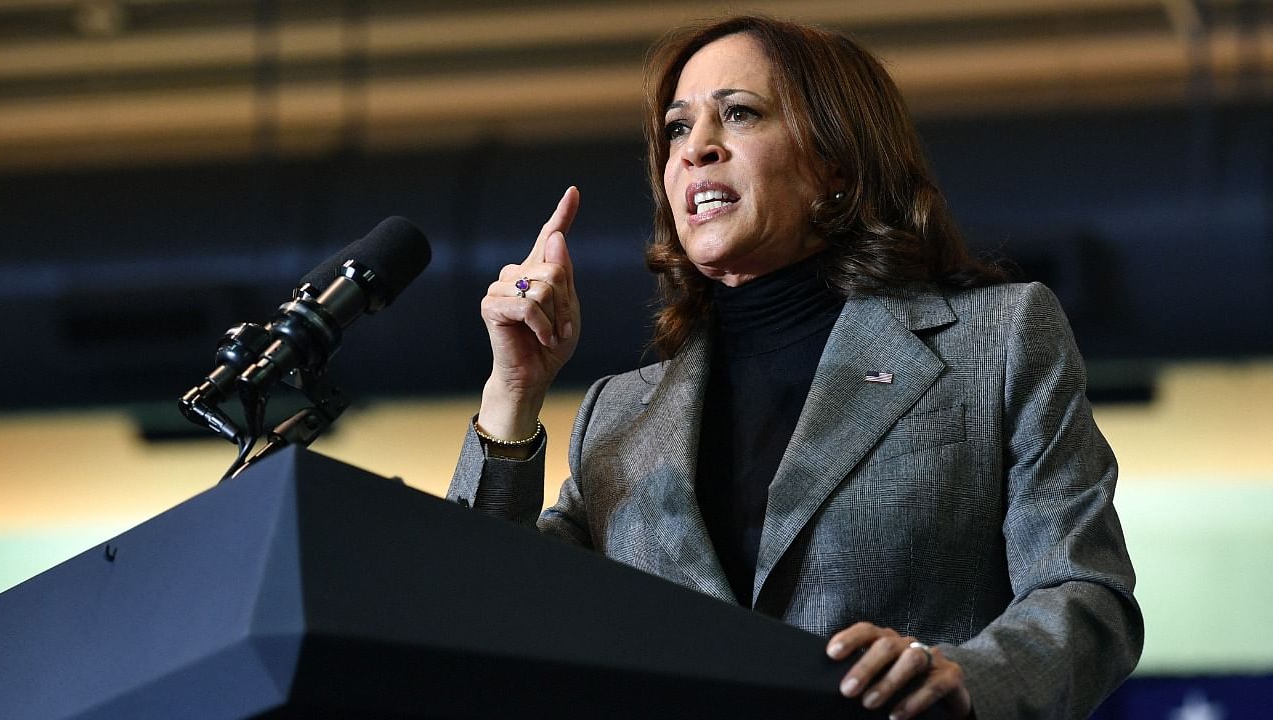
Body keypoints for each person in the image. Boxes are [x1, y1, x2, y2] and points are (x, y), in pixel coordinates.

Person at [448, 15, 1142, 720]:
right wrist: (514, 390)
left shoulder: (996, 339)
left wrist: (965, 680)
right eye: (678, 130)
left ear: (835, 166)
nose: (698, 150)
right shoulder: (619, 416)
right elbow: (484, 617)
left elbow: (1088, 596)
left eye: (739, 115)